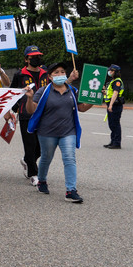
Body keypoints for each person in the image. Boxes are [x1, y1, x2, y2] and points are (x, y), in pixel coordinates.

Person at [24, 62, 89, 202]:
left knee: (70, 158)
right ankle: (41, 181)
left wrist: (94, 99)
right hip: (47, 133)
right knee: (46, 158)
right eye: (56, 73)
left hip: (68, 132)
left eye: (62, 72)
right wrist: (29, 97)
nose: (60, 75)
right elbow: (31, 110)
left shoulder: (72, 90)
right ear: (50, 77)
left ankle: (71, 190)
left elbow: (82, 108)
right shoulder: (43, 91)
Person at [9, 45, 49, 186]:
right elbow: (13, 93)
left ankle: (27, 160)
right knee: (30, 144)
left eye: (38, 56)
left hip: (43, 114)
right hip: (26, 114)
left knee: (42, 146)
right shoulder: (20, 74)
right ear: (26, 59)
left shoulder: (45, 73)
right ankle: (33, 174)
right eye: (33, 57)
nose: (36, 59)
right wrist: (14, 109)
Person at [103, 64, 124, 149]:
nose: (109, 72)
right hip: (111, 105)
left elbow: (115, 93)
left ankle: (117, 143)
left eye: (111, 71)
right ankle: (112, 141)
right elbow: (110, 93)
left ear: (116, 72)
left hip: (115, 105)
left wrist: (111, 105)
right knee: (111, 124)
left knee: (115, 124)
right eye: (109, 70)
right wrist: (104, 92)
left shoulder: (117, 81)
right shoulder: (112, 81)